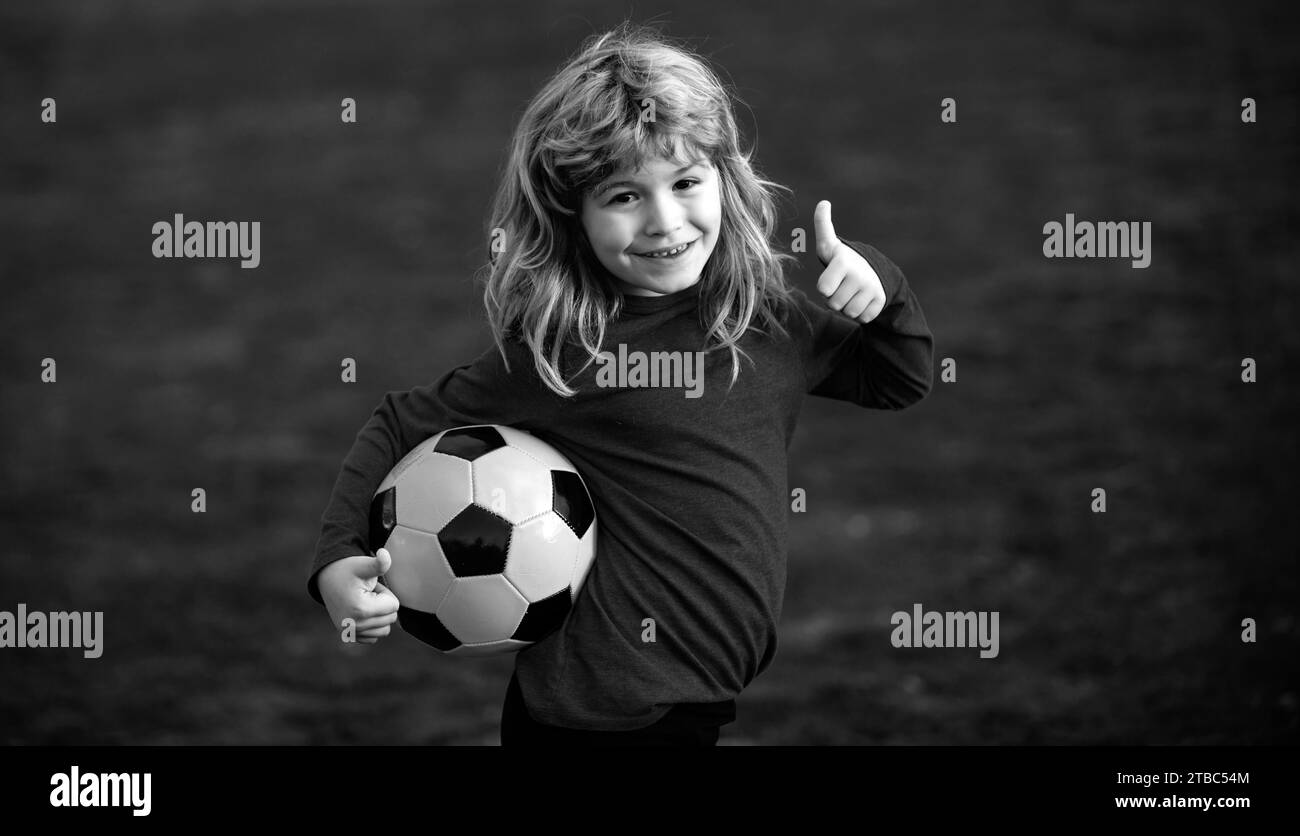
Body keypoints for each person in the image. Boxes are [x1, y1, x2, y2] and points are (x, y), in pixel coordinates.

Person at [308, 22, 934, 746]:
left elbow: (898, 380)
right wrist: (335, 560)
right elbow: (397, 422)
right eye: (624, 196)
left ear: (726, 181)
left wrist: (882, 291)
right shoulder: (565, 354)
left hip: (692, 701)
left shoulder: (766, 325)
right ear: (573, 217)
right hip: (600, 713)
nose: (665, 221)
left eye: (687, 182)